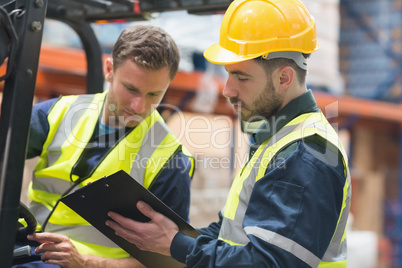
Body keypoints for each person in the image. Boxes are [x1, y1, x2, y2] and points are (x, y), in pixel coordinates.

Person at [105, 0, 352, 267]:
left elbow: (268, 263)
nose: (227, 90)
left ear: (283, 78)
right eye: (228, 74)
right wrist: (171, 240)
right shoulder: (275, 141)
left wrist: (175, 244)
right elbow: (230, 236)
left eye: (241, 77)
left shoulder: (305, 153)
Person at [14, 25, 194, 267]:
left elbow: (166, 262)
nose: (139, 106)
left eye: (154, 94)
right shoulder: (58, 113)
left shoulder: (171, 160)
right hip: (26, 248)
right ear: (110, 70)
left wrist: (86, 262)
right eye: (130, 89)